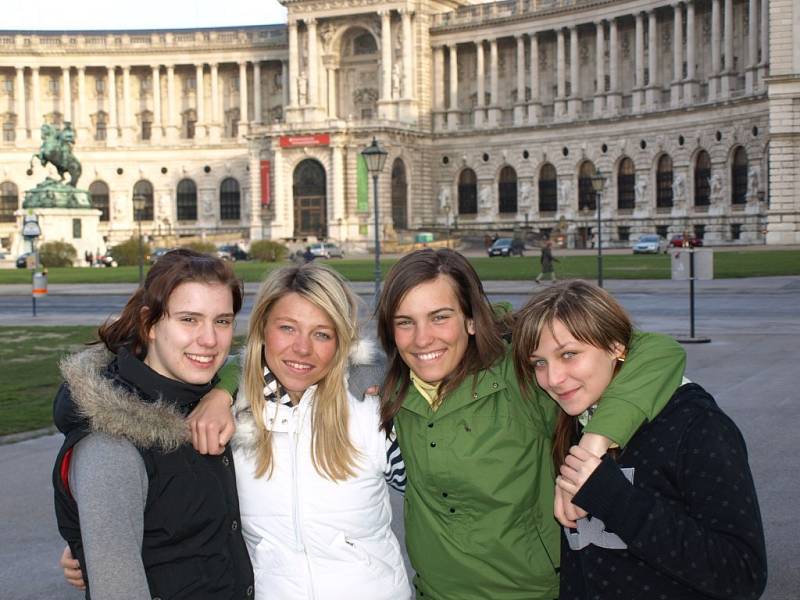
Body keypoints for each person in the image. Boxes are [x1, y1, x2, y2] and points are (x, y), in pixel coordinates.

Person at [373, 248, 686, 600]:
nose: (422, 339)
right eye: (404, 322)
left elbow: (657, 352)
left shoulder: (520, 372)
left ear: (472, 319)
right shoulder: (390, 388)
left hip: (533, 591)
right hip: (436, 591)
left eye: (440, 317)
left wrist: (591, 449)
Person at [512, 280, 767, 600]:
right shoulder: (574, 420)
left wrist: (613, 497)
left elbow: (742, 574)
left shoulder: (696, 426)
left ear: (617, 348)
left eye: (569, 354)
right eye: (539, 362)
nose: (553, 379)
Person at [52, 249, 254, 599]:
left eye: (222, 321)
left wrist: (222, 392)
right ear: (149, 324)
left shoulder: (205, 392)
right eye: (189, 319)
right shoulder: (110, 446)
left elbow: (291, 356)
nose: (209, 340)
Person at [229, 263, 410, 599]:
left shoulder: (374, 410)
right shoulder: (229, 419)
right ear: (262, 329)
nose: (302, 348)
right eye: (287, 328)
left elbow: (443, 501)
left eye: (322, 334)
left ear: (342, 341)